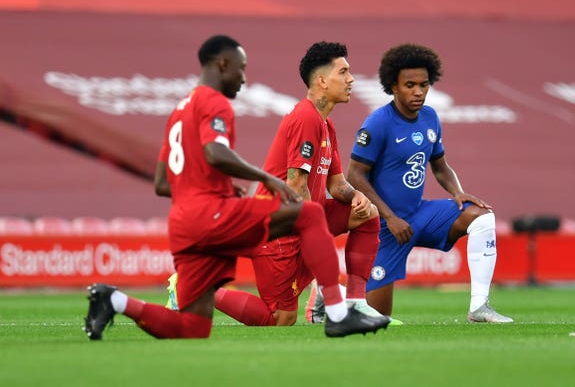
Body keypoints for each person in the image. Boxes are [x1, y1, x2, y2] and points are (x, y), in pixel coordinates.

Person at [83, 35, 391, 340]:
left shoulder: (180, 109)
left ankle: (115, 300)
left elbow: (163, 184)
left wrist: (356, 196)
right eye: (241, 69)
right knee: (283, 307)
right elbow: (219, 155)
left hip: (185, 220)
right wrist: (265, 179)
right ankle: (336, 309)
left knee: (192, 328)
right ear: (223, 64)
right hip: (231, 215)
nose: (244, 78)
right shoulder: (216, 102)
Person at [204, 41, 388, 326]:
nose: (351, 79)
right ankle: (196, 288)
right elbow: (295, 186)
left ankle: (355, 302)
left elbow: (337, 184)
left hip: (302, 217)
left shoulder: (326, 124)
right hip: (277, 225)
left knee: (367, 214)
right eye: (344, 72)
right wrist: (316, 235)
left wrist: (355, 197)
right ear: (323, 80)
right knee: (280, 318)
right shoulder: (305, 118)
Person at [347, 43, 513, 323]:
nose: (418, 91)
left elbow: (440, 166)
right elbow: (355, 174)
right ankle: (329, 298)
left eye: (424, 84)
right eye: (410, 85)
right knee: (378, 318)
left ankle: (479, 307)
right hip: (387, 228)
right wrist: (390, 217)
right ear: (393, 86)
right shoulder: (378, 123)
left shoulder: (430, 118)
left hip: (421, 215)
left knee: (483, 217)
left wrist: (457, 192)